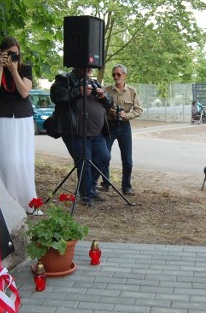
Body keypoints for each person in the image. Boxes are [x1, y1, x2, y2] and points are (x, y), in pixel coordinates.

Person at [0, 36, 39, 214]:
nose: (12, 56)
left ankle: (27, 202)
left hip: (22, 118)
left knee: (23, 160)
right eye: (8, 53)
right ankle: (6, 201)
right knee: (5, 160)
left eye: (15, 54)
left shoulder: (25, 68)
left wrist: (14, 69)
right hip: (3, 118)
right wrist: (2, 67)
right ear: (1, 53)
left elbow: (24, 92)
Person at [50, 67, 113, 207]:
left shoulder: (94, 82)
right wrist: (79, 91)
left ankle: (90, 187)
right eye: (86, 66)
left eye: (91, 67)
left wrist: (104, 97)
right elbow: (56, 96)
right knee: (84, 162)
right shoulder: (64, 79)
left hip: (97, 132)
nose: (90, 69)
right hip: (75, 132)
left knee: (104, 157)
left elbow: (110, 103)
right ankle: (86, 195)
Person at [101, 64, 143, 196]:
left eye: (118, 74)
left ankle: (126, 186)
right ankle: (106, 183)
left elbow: (139, 110)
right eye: (114, 74)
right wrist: (109, 112)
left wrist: (126, 115)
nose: (116, 77)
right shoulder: (106, 90)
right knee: (104, 156)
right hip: (109, 126)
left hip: (125, 127)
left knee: (127, 159)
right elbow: (99, 107)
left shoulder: (132, 91)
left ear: (125, 75)